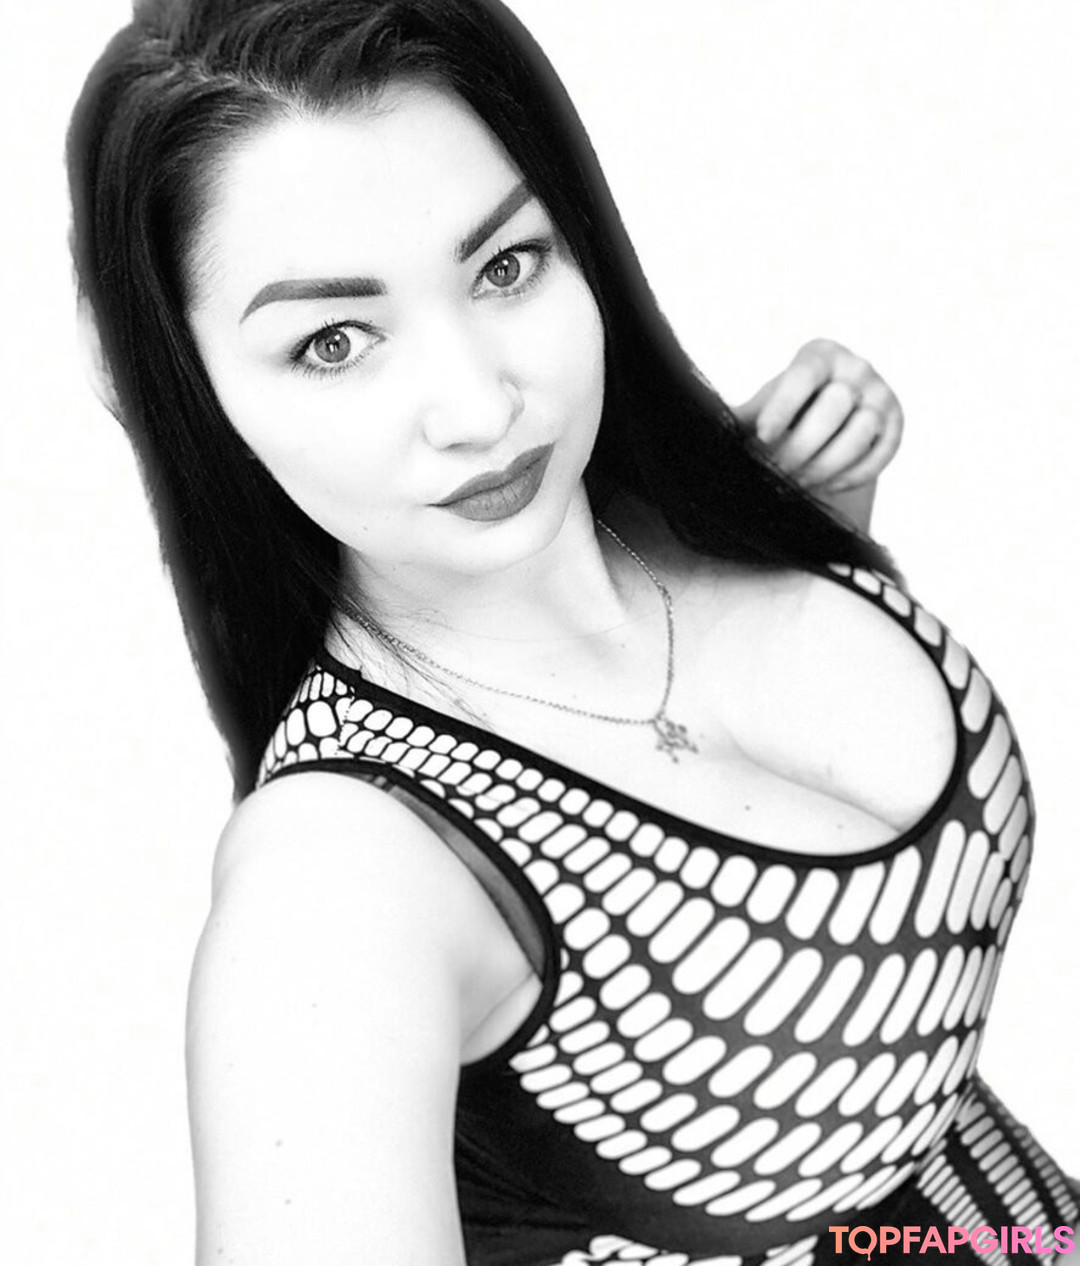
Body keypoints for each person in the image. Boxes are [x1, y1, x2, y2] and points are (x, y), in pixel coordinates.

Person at [66, 1, 1077, 1263]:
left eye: (505, 266)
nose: (480, 407)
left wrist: (815, 531)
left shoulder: (680, 522)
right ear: (168, 377)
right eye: (333, 341)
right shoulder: (336, 896)